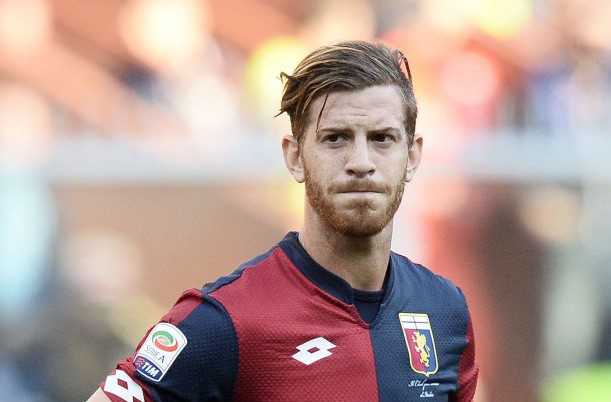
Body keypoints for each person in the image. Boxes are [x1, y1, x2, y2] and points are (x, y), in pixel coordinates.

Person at [87, 40, 478, 402]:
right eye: (335, 138)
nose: (361, 162)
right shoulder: (225, 320)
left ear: (412, 156)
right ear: (294, 157)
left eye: (381, 139)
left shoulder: (445, 310)